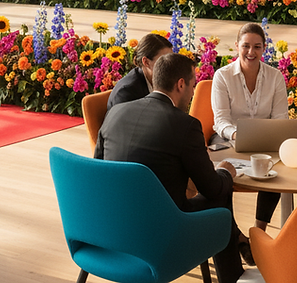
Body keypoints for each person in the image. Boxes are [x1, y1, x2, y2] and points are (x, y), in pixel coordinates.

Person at [96, 53, 246, 283]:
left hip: (110, 226)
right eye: (193, 85)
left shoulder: (115, 112)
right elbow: (212, 188)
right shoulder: (185, 125)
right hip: (160, 232)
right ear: (180, 84)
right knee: (221, 197)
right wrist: (226, 171)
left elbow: (98, 168)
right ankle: (233, 278)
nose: (193, 92)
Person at [210, 23, 287, 234]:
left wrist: (267, 138)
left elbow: (280, 118)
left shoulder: (275, 77)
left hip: (265, 141)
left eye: (257, 46)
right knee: (220, 173)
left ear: (264, 48)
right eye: (246, 46)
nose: (251, 52)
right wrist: (237, 134)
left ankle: (258, 231)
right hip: (227, 138)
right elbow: (221, 120)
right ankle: (233, 233)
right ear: (237, 46)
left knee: (277, 170)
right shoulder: (222, 76)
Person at [106, 33, 173, 111]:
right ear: (146, 62)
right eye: (163, 61)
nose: (171, 66)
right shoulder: (126, 91)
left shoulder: (162, 81)